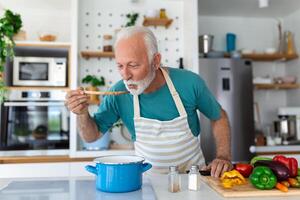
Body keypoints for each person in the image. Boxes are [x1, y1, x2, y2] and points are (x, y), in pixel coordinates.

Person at [65, 26, 233, 177]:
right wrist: (82, 114)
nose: (125, 75)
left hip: (192, 180)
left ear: (156, 61)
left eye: (133, 65)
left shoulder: (189, 83)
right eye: (120, 66)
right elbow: (91, 136)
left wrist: (223, 156)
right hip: (147, 183)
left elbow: (219, 117)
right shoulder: (118, 94)